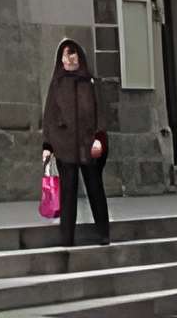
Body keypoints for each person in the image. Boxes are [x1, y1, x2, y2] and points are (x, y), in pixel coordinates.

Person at [39, 36, 112, 248]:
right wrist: (47, 146)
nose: (68, 58)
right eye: (64, 55)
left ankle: (103, 233)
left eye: (72, 53)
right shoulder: (57, 84)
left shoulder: (90, 83)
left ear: (79, 56)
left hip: (88, 144)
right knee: (68, 192)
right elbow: (49, 116)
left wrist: (99, 138)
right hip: (64, 144)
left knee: (95, 188)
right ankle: (67, 238)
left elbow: (100, 113)